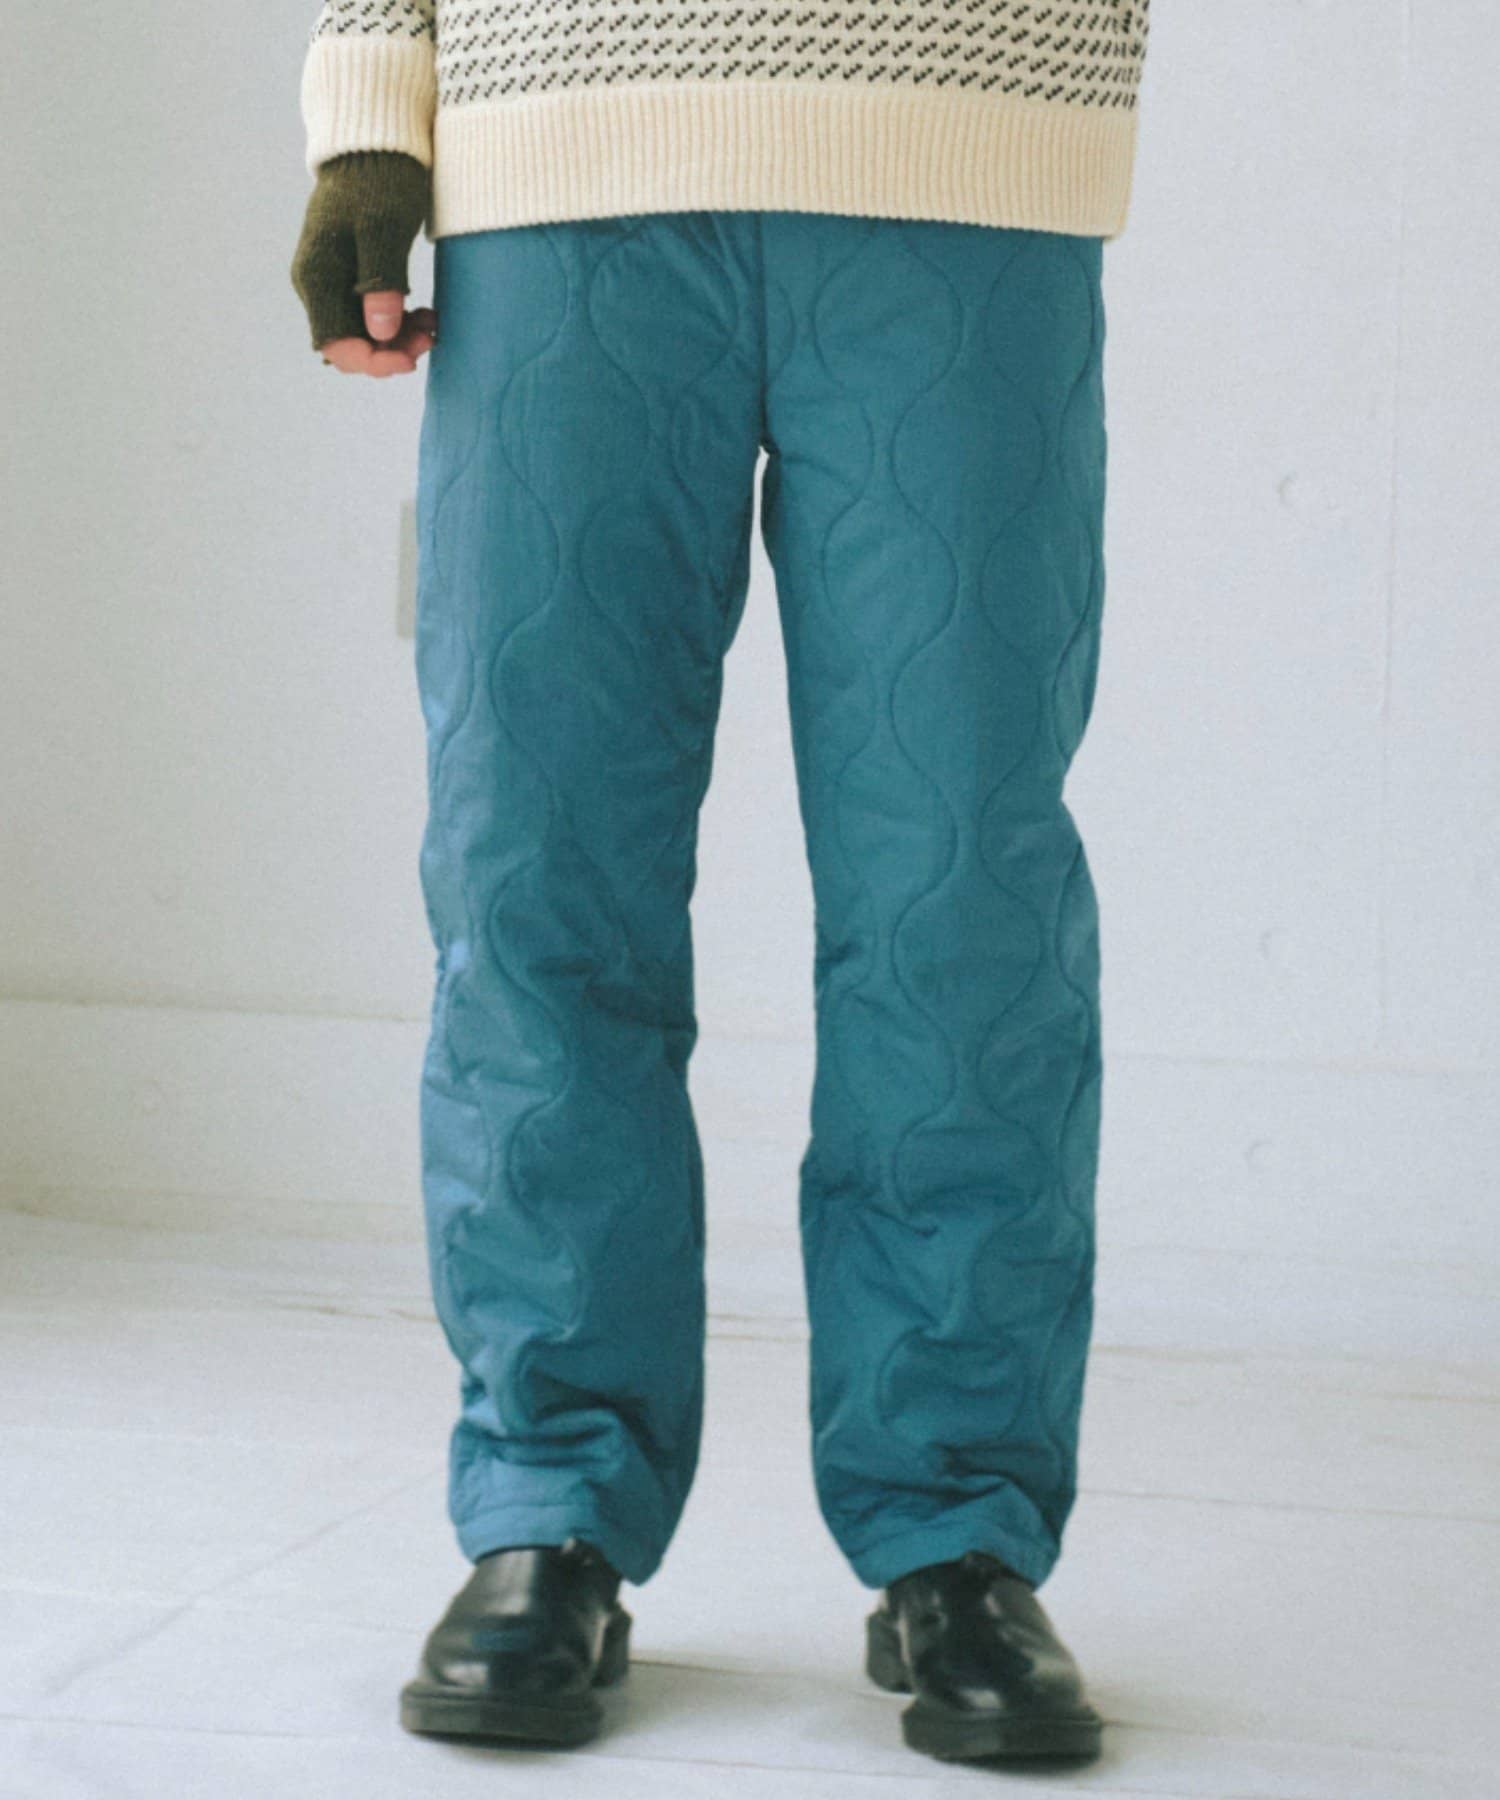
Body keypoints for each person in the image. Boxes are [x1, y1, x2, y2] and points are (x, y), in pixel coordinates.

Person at [291, 0, 1150, 1768]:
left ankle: (960, 1529)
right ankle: (550, 1500)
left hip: (965, 128)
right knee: (536, 871)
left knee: (958, 900)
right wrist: (368, 100)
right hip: (563, 132)